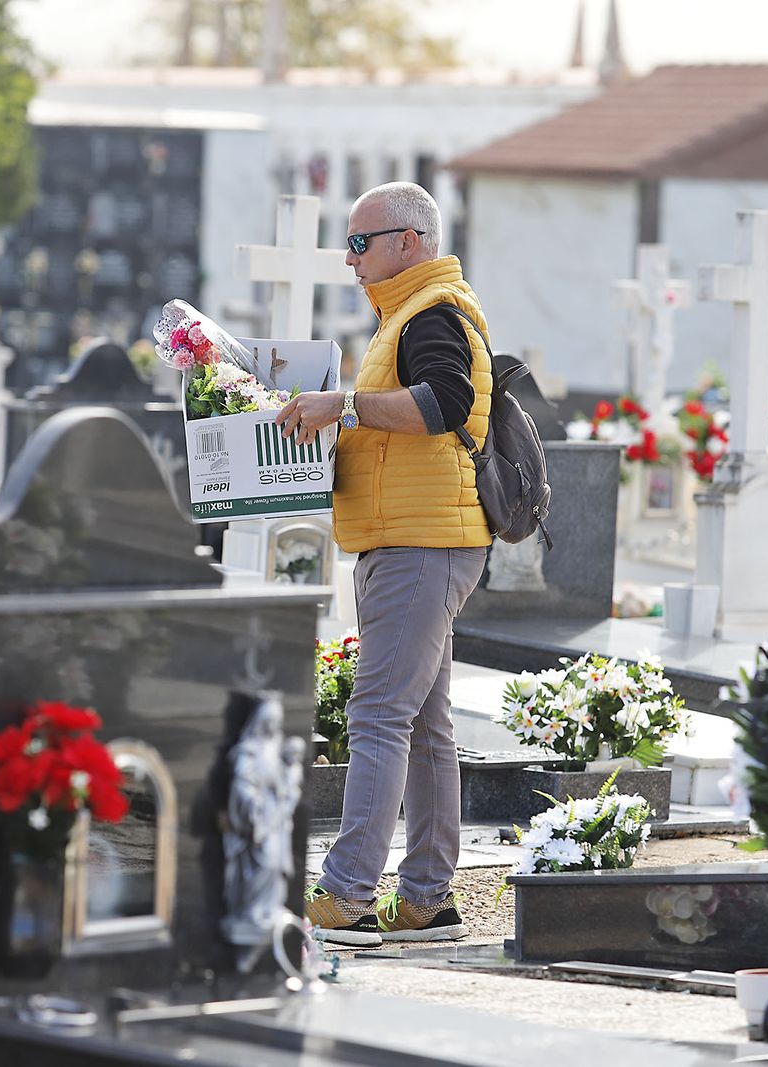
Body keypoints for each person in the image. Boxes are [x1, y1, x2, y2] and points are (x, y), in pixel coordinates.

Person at [273, 182, 490, 945]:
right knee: (426, 725)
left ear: (410, 241)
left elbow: (446, 404)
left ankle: (349, 891)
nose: (350, 258)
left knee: (377, 716)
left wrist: (348, 406)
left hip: (420, 543)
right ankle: (428, 895)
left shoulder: (432, 311)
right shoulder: (408, 313)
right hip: (415, 538)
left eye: (362, 242)